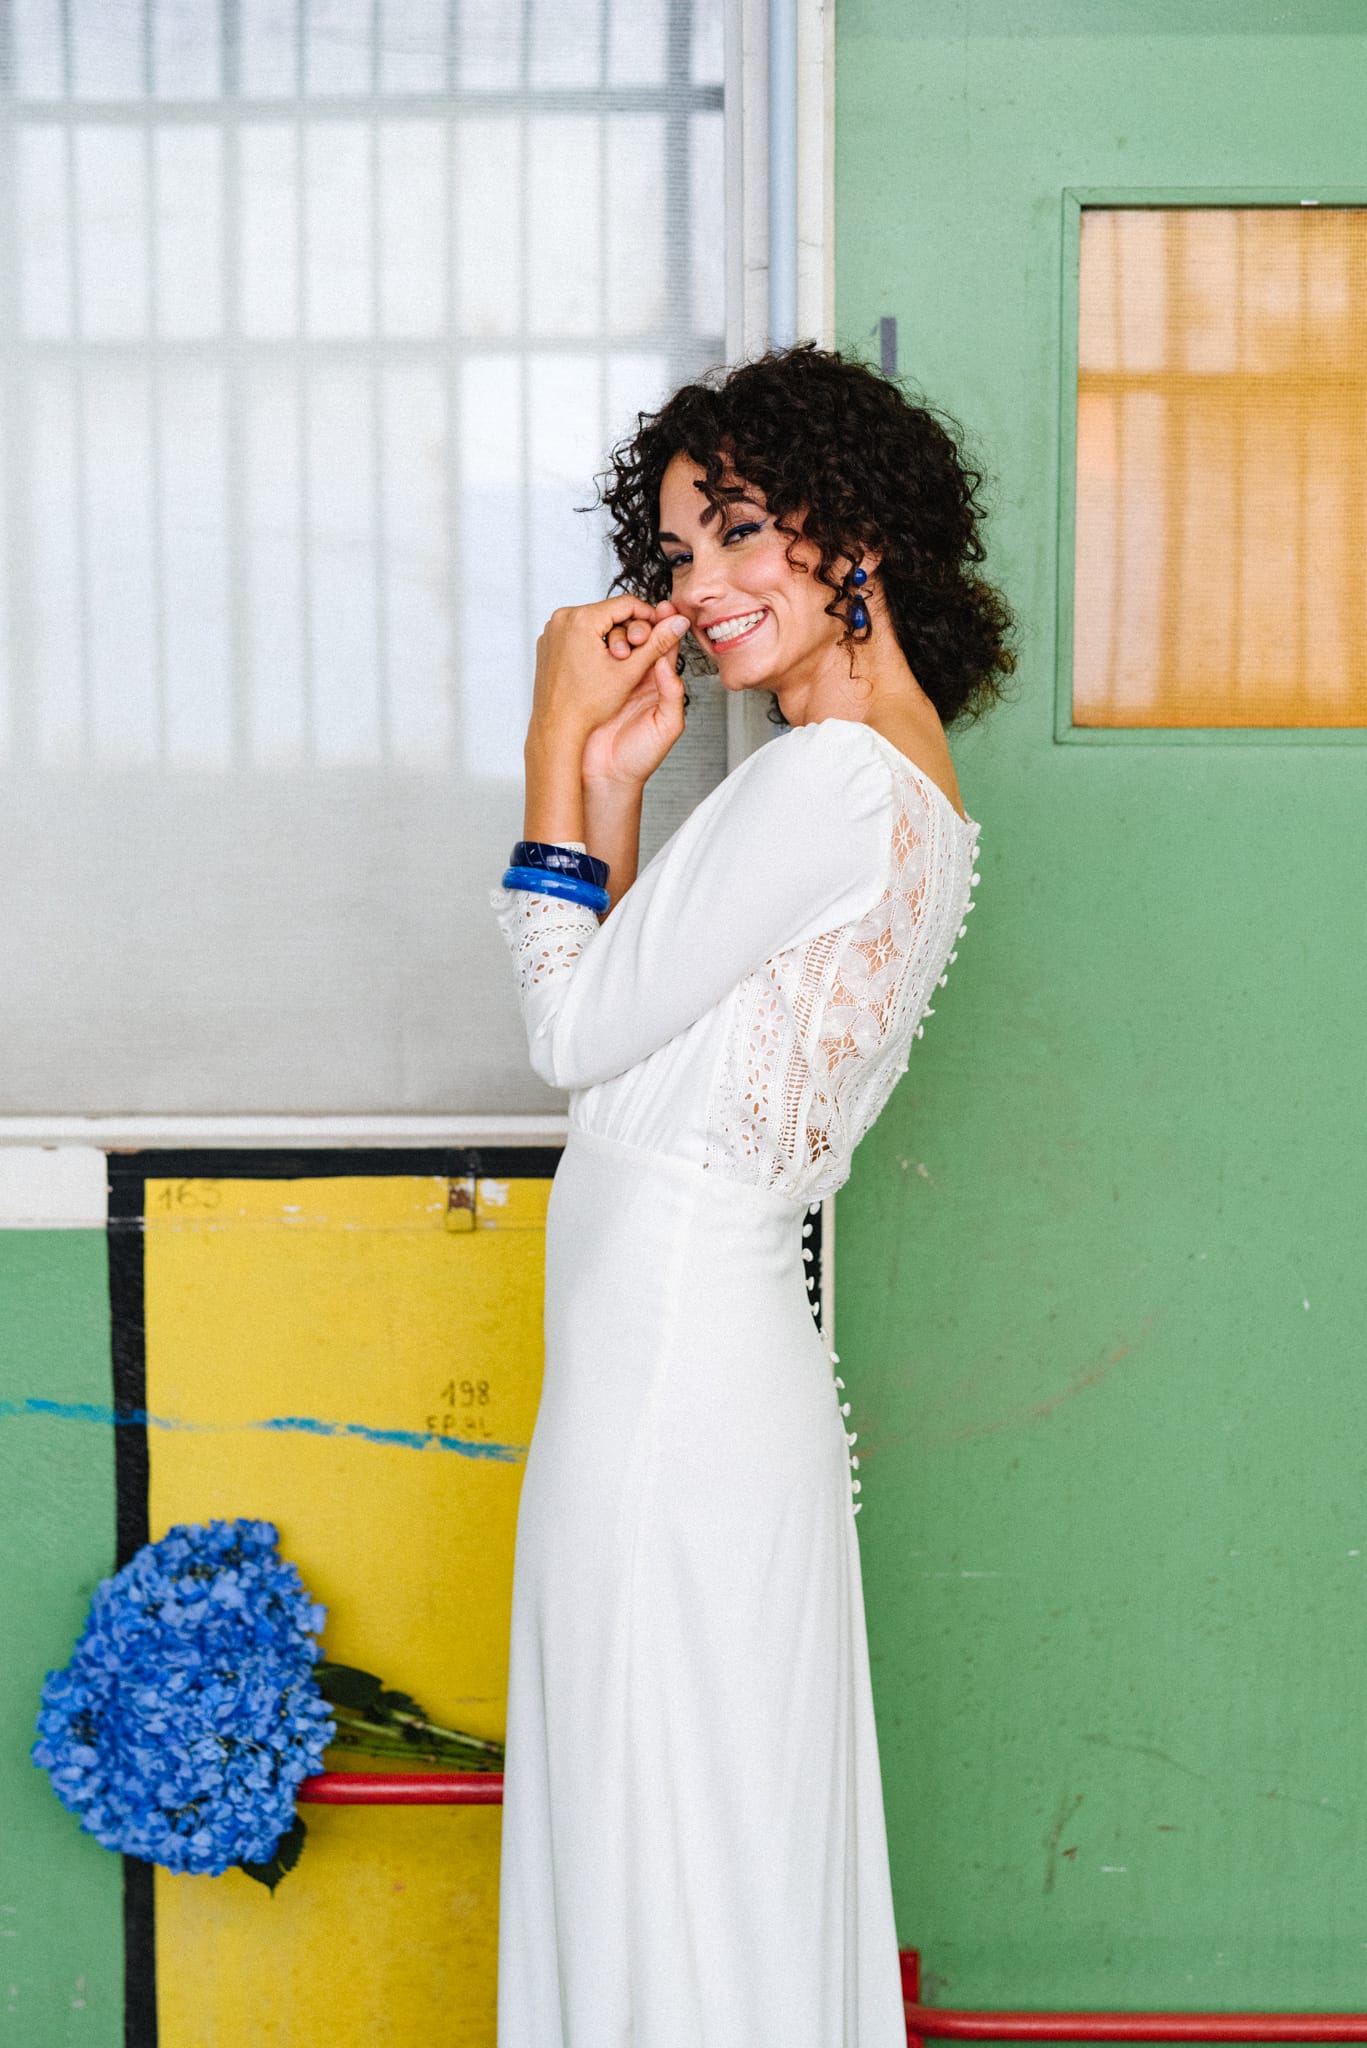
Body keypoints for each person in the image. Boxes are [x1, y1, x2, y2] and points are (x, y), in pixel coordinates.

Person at [489, 343, 1014, 2046]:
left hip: (670, 1377)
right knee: (703, 1835)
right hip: (702, 1362)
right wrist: (616, 792)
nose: (699, 585)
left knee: (657, 1831)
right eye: (676, 551)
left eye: (736, 530)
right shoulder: (896, 784)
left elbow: (570, 1031)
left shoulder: (823, 779)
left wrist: (552, 740)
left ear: (851, 526)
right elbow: (637, 1037)